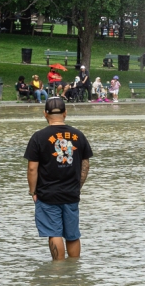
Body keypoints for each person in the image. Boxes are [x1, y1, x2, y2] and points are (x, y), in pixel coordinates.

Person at [24, 96, 93, 261]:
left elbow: (32, 168)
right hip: (71, 193)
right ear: (65, 113)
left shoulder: (38, 137)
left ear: (45, 114)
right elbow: (85, 166)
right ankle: (74, 270)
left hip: (47, 194)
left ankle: (58, 271)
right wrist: (77, 187)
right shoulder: (78, 135)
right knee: (72, 234)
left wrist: (33, 191)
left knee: (54, 232)